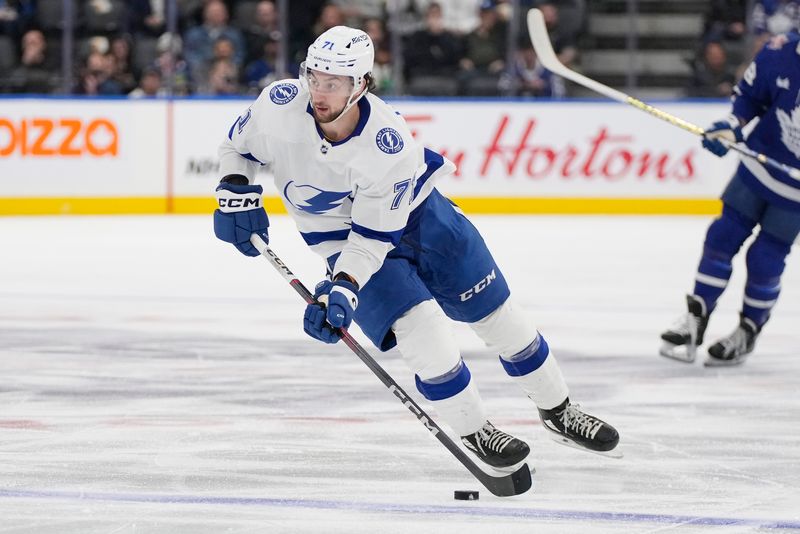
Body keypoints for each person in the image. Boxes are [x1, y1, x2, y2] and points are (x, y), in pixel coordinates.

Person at [213, 26, 620, 469]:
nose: (318, 91)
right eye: (314, 77)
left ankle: (559, 411)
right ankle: (475, 429)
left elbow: (372, 239)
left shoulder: (388, 144)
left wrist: (342, 289)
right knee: (424, 332)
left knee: (499, 318)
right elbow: (238, 148)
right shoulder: (278, 104)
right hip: (340, 238)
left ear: (361, 85)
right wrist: (236, 192)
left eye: (332, 83)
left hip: (423, 221)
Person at [660, 33, 800, 367]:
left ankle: (747, 330)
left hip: (795, 192)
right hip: (757, 167)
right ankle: (697, 316)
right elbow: (750, 99)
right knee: (722, 236)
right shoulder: (780, 51)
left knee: (765, 258)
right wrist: (731, 126)